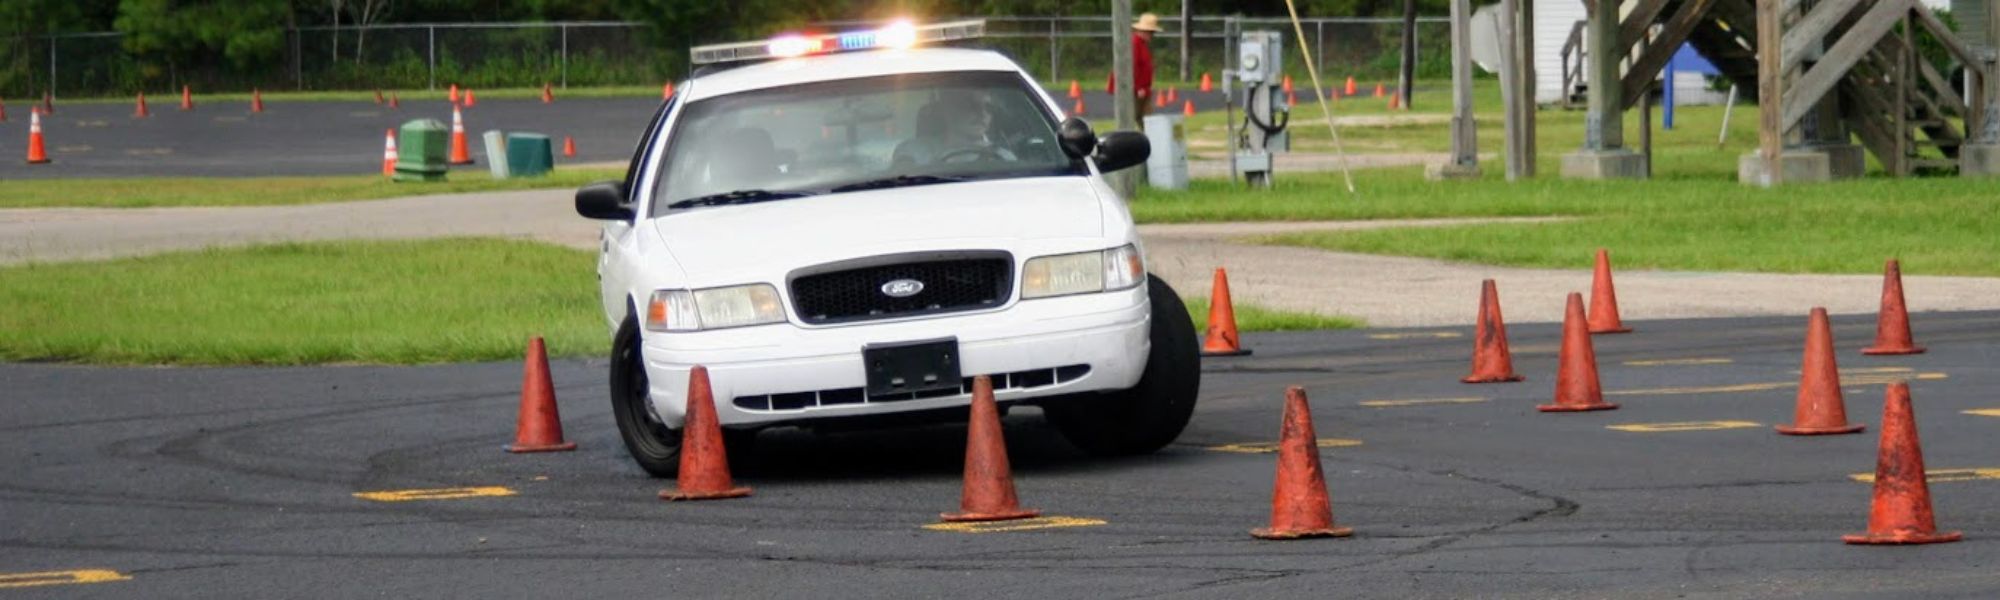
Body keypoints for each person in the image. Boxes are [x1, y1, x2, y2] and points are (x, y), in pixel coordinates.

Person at [892, 92, 1015, 167]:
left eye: (988, 107)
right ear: (947, 110)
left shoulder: (1003, 158)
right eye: (971, 106)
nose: (982, 113)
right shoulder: (914, 153)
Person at [1129, 12, 1161, 117]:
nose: (1152, 35)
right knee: (1139, 116)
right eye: (1150, 32)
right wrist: (1138, 87)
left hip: (1144, 88)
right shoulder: (1135, 44)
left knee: (1146, 117)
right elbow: (1133, 66)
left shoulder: (1142, 44)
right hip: (1138, 89)